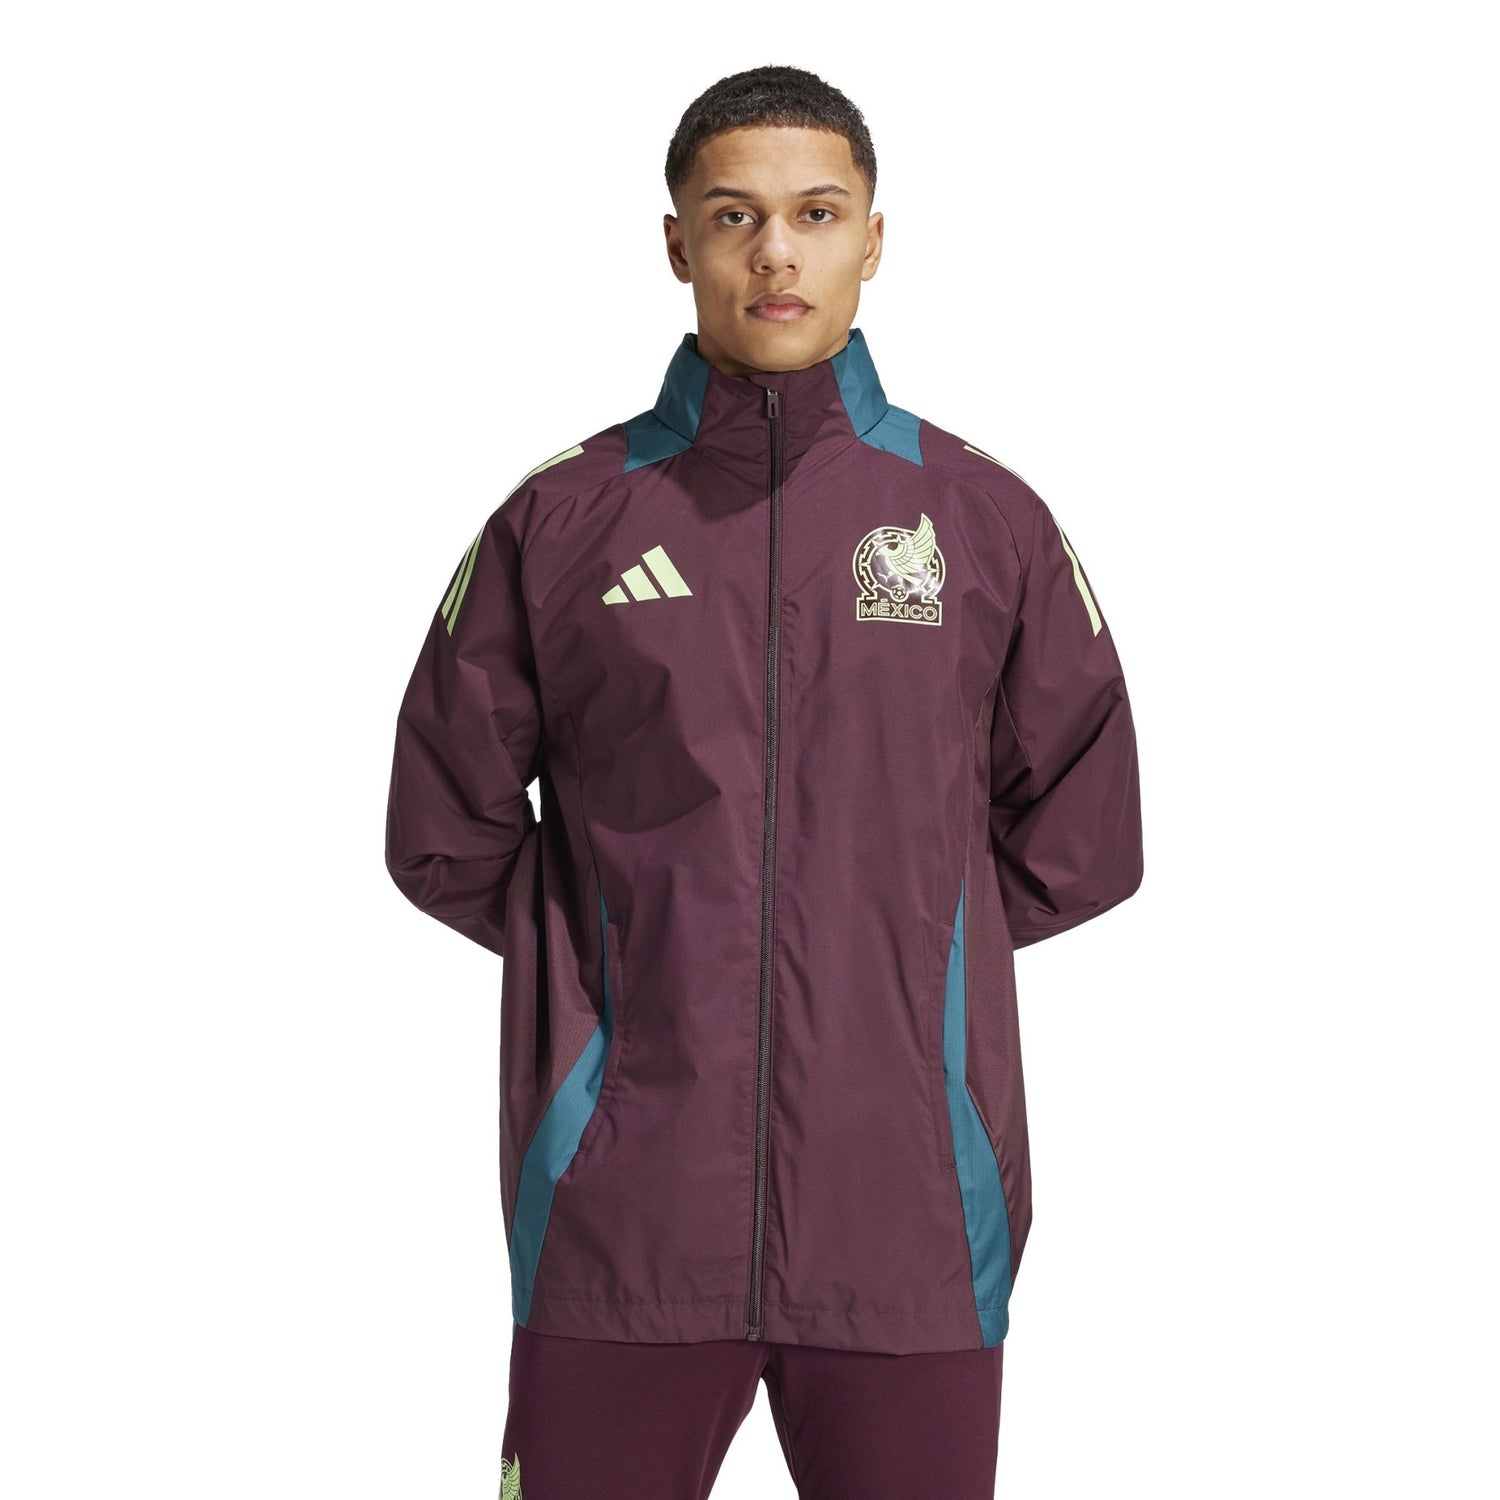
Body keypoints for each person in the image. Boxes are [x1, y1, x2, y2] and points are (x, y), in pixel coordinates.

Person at [384, 63, 1143, 1500]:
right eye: (735, 216)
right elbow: (445, 825)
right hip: (621, 1215)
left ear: (875, 239)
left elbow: (1085, 830)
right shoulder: (564, 518)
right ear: (677, 243)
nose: (776, 252)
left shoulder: (982, 519)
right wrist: (610, 985)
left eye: (816, 213)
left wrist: (907, 958)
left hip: (911, 1213)